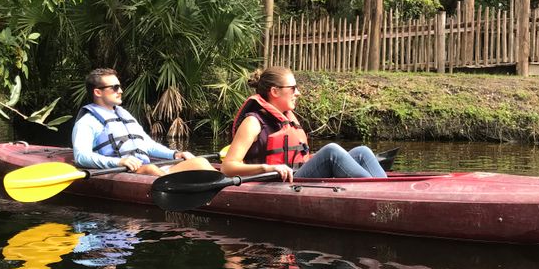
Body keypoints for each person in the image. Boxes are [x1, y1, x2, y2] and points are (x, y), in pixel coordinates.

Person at [220, 66, 387, 182]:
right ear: (275, 91)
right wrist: (267, 168)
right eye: (293, 88)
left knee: (362, 152)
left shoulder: (286, 118)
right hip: (275, 182)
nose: (298, 93)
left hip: (297, 173)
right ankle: (377, 194)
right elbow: (227, 168)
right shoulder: (253, 122)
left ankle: (386, 191)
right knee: (331, 152)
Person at [72, 68, 215, 176]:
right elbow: (81, 157)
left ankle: (227, 186)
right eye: (115, 88)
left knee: (200, 161)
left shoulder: (124, 114)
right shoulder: (87, 122)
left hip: (147, 168)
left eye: (120, 86)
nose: (120, 91)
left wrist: (174, 154)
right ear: (98, 92)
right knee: (151, 169)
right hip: (123, 171)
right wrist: (118, 162)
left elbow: (147, 145)